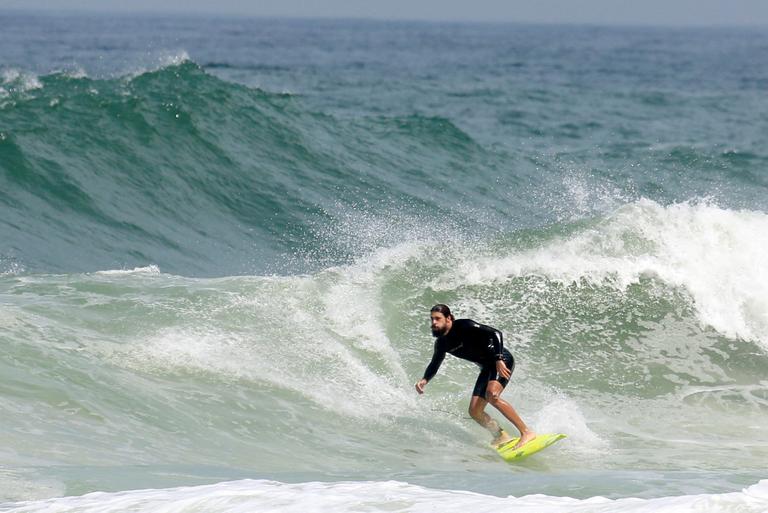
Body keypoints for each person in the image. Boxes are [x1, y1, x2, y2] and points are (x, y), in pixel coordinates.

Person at [415, 304, 536, 449]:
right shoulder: (442, 343)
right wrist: (424, 379)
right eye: (432, 319)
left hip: (501, 360)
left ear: (448, 318)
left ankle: (526, 432)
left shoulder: (464, 325)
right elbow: (435, 363)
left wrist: (498, 359)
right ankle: (501, 436)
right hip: (487, 367)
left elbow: (495, 333)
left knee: (492, 395)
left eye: (437, 319)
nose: (433, 323)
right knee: (474, 411)